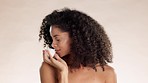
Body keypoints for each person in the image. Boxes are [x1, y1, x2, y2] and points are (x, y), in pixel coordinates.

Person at [39, 8, 117, 83]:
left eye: (58, 39)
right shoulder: (50, 67)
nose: (53, 44)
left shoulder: (107, 73)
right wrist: (63, 72)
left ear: (75, 38)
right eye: (52, 39)